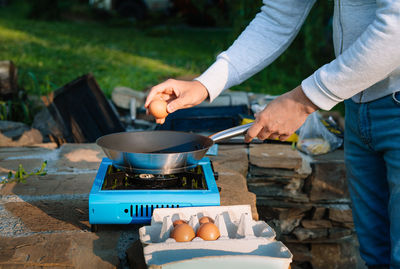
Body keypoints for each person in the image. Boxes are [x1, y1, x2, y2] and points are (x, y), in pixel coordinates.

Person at [145, 1, 400, 268]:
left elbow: (395, 28)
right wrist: (205, 84)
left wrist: (303, 100)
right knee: (375, 256)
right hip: (358, 107)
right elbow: (278, 17)